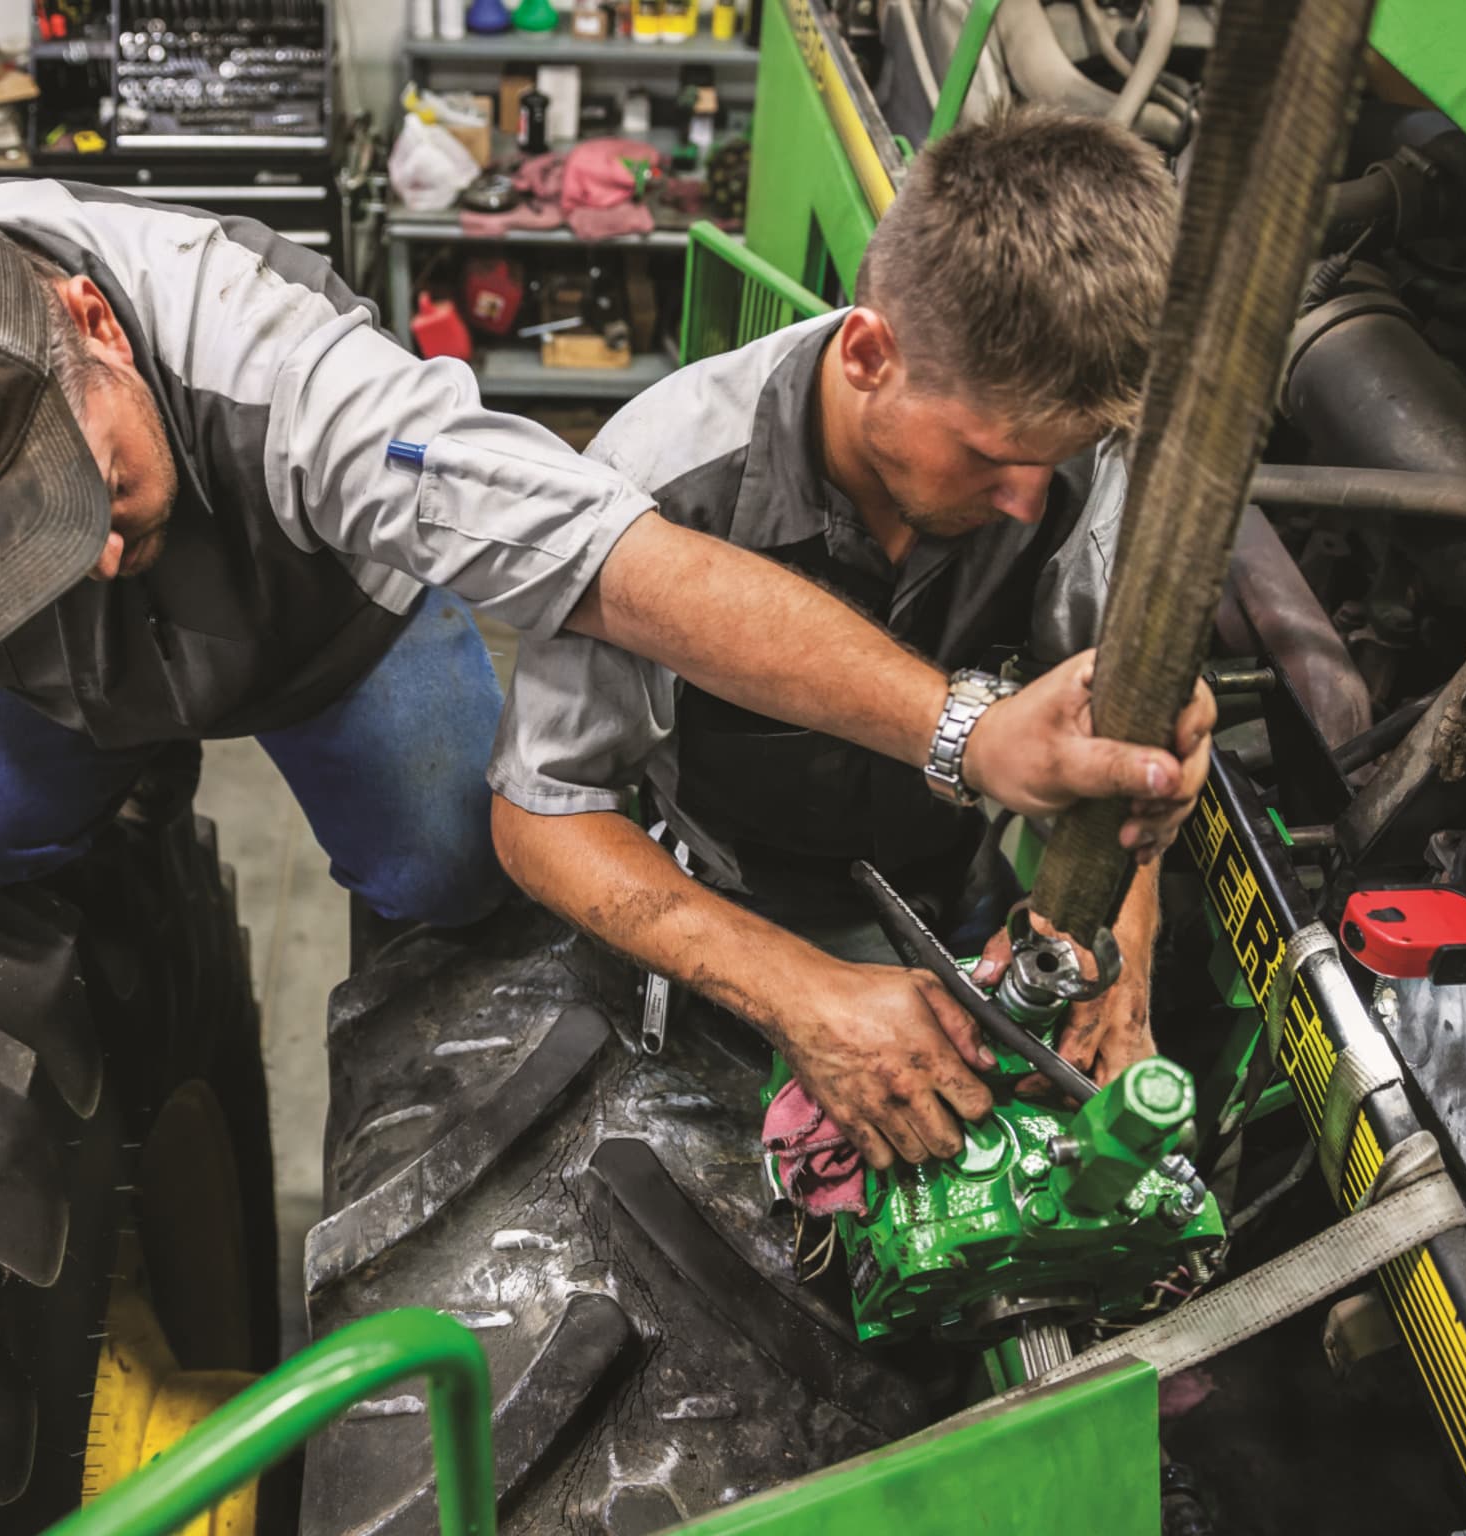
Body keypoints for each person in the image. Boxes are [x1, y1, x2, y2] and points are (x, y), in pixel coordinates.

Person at [0, 169, 1205, 936]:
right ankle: (128, 811)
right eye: (14, 534)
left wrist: (959, 731)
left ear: (95, 324)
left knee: (453, 874)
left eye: (94, 494)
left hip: (323, 635)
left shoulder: (293, 376)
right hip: (43, 666)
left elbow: (616, 563)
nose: (99, 552)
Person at [488, 107, 1213, 1169]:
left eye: (1054, 461)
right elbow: (541, 811)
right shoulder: (664, 479)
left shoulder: (1074, 477)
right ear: (870, 352)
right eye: (988, 456)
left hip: (957, 900)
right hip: (718, 911)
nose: (1024, 504)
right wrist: (803, 993)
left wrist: (1123, 924)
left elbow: (1121, 738)